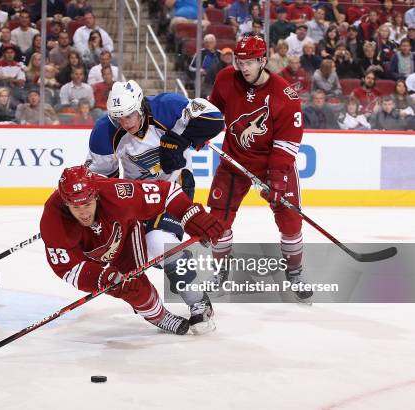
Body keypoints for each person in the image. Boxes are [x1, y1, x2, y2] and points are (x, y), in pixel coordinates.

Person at [86, 80, 224, 330]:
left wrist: (179, 138)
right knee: (137, 253)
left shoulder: (167, 106)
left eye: (130, 115)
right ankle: (159, 299)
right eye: (119, 118)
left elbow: (215, 117)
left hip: (175, 187)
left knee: (160, 243)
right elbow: (101, 177)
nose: (126, 123)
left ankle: (198, 302)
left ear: (141, 105)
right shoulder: (104, 132)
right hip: (138, 195)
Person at [40, 166, 225, 335]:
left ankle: (197, 300)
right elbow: (68, 268)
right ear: (65, 204)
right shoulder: (53, 219)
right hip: (91, 256)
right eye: (75, 207)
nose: (84, 213)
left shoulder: (116, 193)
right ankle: (158, 316)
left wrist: (192, 215)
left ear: (95, 195)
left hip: (126, 235)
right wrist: (103, 278)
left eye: (87, 204)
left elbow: (168, 192)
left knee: (161, 244)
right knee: (131, 289)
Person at [206, 34, 313, 301]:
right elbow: (212, 112)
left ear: (263, 60)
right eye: (240, 61)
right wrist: (198, 131)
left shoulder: (286, 96)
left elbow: (287, 144)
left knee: (290, 221)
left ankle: (295, 271)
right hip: (234, 161)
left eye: (250, 62)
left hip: (271, 165)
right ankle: (220, 270)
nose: (243, 67)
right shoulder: (225, 79)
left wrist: (276, 180)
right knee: (218, 221)